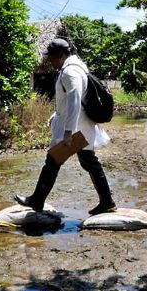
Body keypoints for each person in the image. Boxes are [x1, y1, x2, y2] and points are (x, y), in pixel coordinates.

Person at [14, 38, 117, 215]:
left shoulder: (71, 72)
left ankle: (37, 200)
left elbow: (75, 100)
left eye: (51, 58)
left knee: (53, 161)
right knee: (89, 162)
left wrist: (68, 131)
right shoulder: (76, 68)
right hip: (81, 127)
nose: (50, 61)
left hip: (75, 129)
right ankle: (107, 201)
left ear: (60, 55)